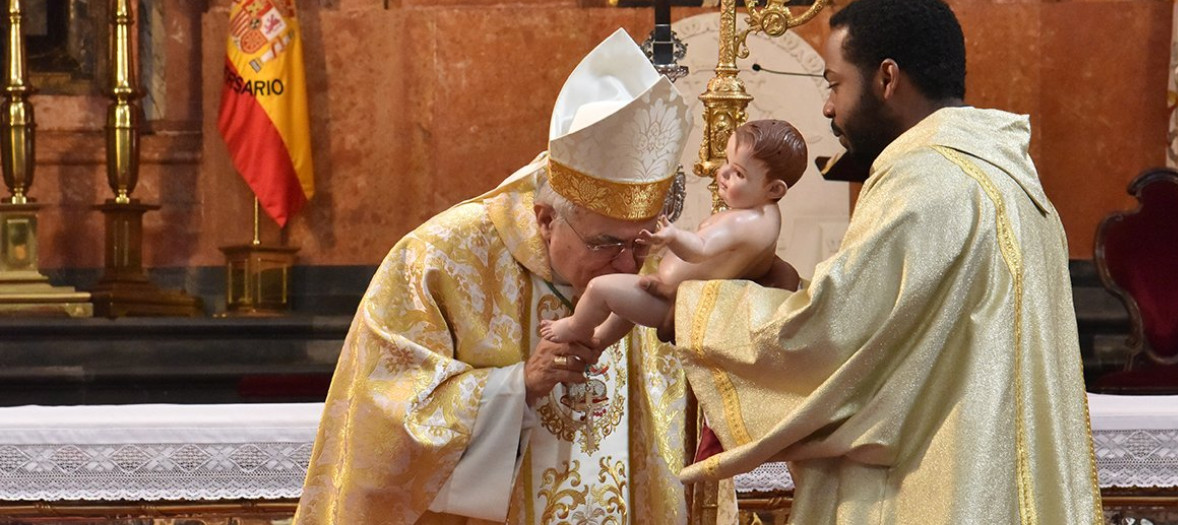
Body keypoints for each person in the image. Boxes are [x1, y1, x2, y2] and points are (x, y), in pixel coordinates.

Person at [650, 0, 1105, 523]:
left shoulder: (922, 182)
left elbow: (826, 336)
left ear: (887, 78)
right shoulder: (1019, 187)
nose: (828, 108)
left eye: (834, 83)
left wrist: (692, 306)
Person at [292, 29, 697, 524]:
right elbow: (382, 425)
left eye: (639, 243)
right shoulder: (438, 259)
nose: (627, 268)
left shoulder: (651, 259)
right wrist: (516, 387)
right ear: (547, 219)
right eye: (604, 245)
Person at [539, 119, 807, 351]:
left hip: (678, 303)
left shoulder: (747, 221)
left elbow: (700, 248)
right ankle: (599, 340)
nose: (722, 173)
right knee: (624, 308)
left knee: (601, 288)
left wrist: (672, 236)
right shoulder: (767, 218)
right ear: (547, 221)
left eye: (738, 172)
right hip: (673, 294)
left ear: (774, 189)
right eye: (604, 244)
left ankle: (576, 326)